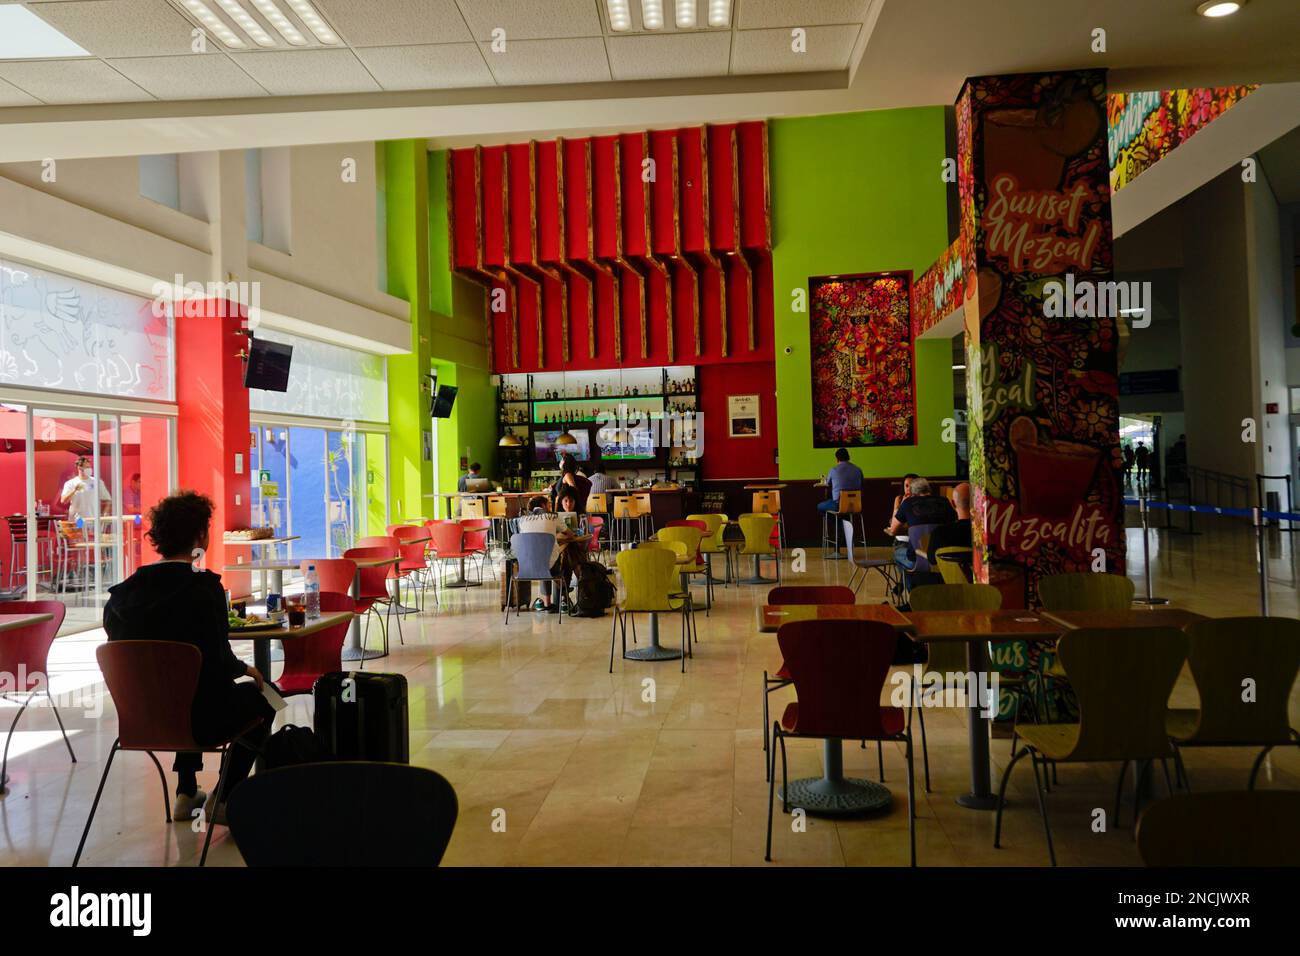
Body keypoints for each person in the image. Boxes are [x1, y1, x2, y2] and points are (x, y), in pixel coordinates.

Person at [102, 491, 273, 825]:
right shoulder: (203, 589)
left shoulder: (122, 593)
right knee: (262, 698)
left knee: (183, 688)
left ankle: (186, 791)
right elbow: (217, 664)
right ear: (199, 536)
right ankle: (224, 797)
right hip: (196, 722)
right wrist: (245, 669)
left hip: (138, 720)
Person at [927, 482, 972, 566]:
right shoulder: (983, 533)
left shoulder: (940, 533)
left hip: (948, 579)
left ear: (953, 503)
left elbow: (932, 560)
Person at [59, 455, 111, 521]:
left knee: (92, 531)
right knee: (80, 530)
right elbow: (63, 501)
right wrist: (74, 490)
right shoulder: (70, 483)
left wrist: (105, 513)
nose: (89, 469)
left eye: (89, 467)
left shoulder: (97, 482)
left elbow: (108, 499)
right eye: (86, 467)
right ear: (79, 468)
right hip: (78, 520)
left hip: (94, 520)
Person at [817, 448, 864, 516]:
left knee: (820, 506)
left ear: (837, 459)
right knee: (842, 510)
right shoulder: (858, 469)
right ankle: (845, 525)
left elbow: (827, 484)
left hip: (838, 505)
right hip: (856, 505)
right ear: (848, 457)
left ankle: (840, 525)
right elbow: (862, 483)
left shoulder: (833, 470)